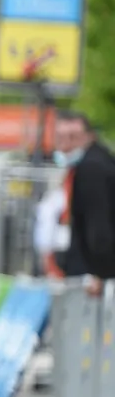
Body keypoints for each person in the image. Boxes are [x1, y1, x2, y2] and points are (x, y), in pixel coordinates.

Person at [53, 111, 115, 295]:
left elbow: (98, 225)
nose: (65, 145)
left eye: (72, 137)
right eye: (61, 138)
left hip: (91, 276)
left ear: (89, 136)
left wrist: (98, 272)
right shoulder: (96, 162)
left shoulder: (92, 168)